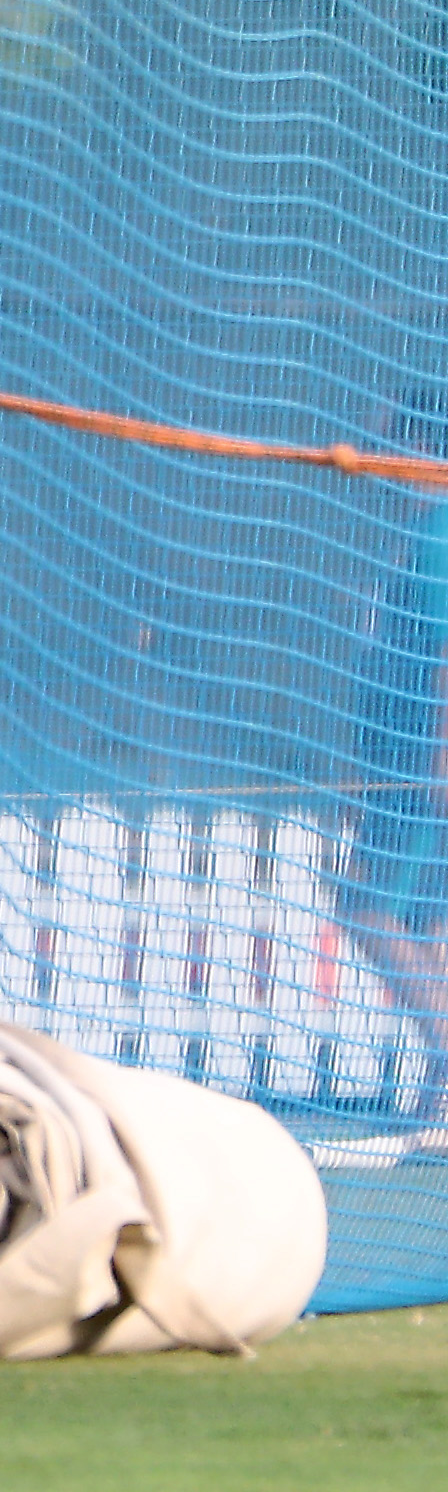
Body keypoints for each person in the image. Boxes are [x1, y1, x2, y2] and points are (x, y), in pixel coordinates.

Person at [349, 390, 448, 1120]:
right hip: (397, 756)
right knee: (425, 924)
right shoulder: (418, 530)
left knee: (367, 905)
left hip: (422, 764)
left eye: (392, 443)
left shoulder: (439, 532)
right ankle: (437, 1090)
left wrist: (441, 753)